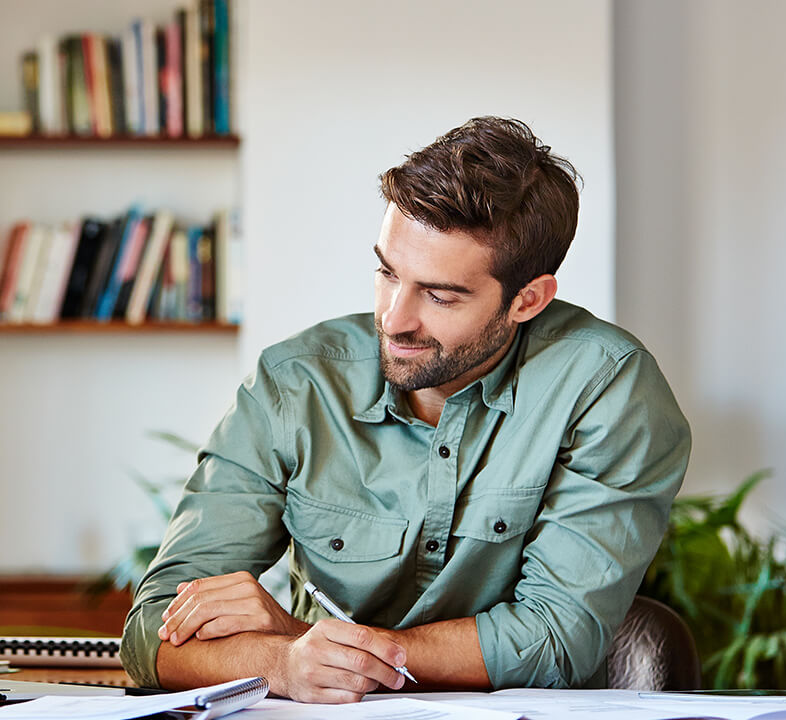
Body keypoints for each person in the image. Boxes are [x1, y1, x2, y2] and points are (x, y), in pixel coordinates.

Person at [120, 117, 690, 703]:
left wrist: (317, 643)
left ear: (528, 300)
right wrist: (284, 662)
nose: (394, 319)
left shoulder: (607, 387)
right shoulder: (294, 384)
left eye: (440, 295)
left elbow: (553, 640)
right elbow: (151, 633)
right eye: (387, 273)